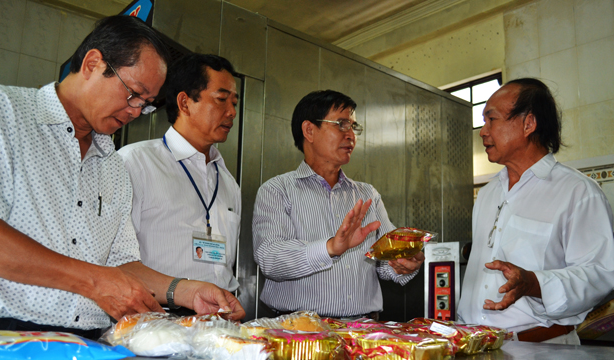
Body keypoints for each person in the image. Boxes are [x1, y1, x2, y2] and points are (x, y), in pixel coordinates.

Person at [0, 16, 244, 340]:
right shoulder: (5, 115)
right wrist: (93, 281)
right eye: (133, 94)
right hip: (6, 338)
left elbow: (123, 263)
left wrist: (185, 291)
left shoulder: (112, 164)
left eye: (146, 105)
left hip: (87, 344)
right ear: (93, 63)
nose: (136, 112)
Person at [457, 78, 614, 344]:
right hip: (475, 349)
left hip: (542, 353)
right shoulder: (487, 194)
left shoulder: (577, 192)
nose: (483, 132)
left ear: (528, 123)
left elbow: (602, 274)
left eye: (491, 120)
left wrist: (534, 283)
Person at [252, 90, 424, 320]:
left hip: (362, 332)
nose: (351, 135)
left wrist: (402, 264)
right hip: (299, 333)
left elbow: (383, 264)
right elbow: (270, 260)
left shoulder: (366, 194)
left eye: (353, 126)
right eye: (341, 124)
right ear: (309, 130)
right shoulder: (277, 190)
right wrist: (330, 248)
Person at [119, 53, 241, 293]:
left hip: (217, 322)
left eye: (234, 103)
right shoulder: (135, 163)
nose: (232, 112)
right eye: (221, 99)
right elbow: (115, 262)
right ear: (185, 102)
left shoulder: (227, 182)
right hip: (155, 320)